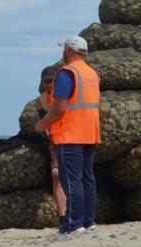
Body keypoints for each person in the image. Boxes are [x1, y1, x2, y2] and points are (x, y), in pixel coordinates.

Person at [34, 36, 101, 235]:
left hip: (70, 133)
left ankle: (73, 223)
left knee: (71, 180)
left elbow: (59, 108)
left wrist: (42, 123)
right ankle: (88, 222)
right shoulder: (91, 73)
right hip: (90, 132)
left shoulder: (66, 73)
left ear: (70, 50)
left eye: (64, 48)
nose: (62, 52)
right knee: (87, 178)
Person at [36, 66, 67, 221]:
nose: (48, 84)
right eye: (45, 81)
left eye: (51, 81)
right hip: (55, 142)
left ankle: (75, 217)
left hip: (70, 139)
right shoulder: (43, 100)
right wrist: (54, 157)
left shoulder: (66, 95)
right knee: (57, 178)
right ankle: (63, 217)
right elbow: (46, 132)